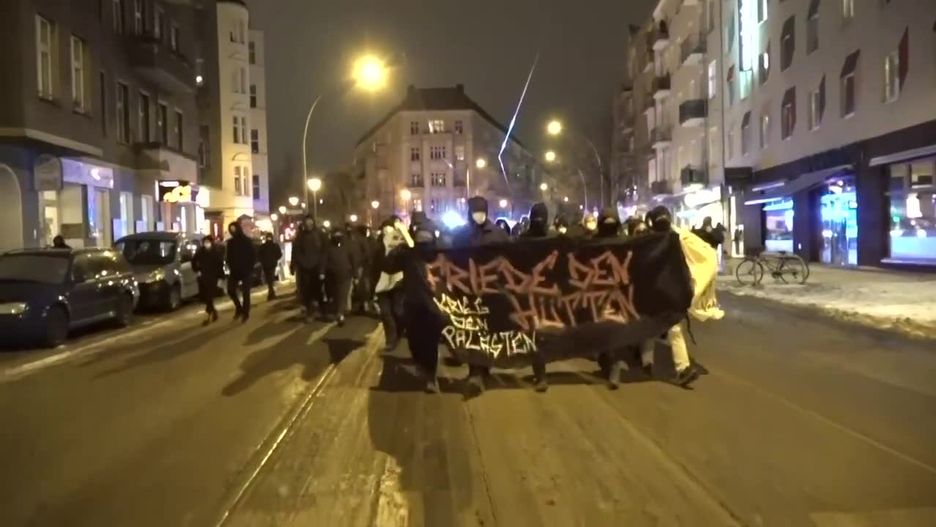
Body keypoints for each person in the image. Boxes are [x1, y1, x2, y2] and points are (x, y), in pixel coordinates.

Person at [452, 196, 509, 396]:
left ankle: (484, 369)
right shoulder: (461, 235)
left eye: (482, 212)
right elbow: (452, 260)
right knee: (472, 332)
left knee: (489, 332)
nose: (479, 215)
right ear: (469, 213)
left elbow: (509, 258)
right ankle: (475, 371)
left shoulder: (498, 234)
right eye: (475, 212)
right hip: (468, 291)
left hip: (492, 291)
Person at [646, 206, 701, 387]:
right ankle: (677, 367)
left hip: (661, 292)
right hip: (668, 292)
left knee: (652, 326)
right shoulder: (675, 240)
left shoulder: (653, 241)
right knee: (670, 329)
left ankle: (651, 363)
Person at [389, 216, 444, 393]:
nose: (423, 238)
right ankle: (424, 369)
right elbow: (390, 266)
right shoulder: (409, 254)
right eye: (421, 235)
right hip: (417, 305)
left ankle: (430, 376)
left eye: (425, 235)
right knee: (417, 341)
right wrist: (395, 250)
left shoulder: (438, 254)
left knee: (428, 342)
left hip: (429, 305)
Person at [519, 202, 551, 392]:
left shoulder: (553, 239)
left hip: (549, 295)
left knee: (542, 336)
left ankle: (541, 374)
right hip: (530, 296)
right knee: (536, 336)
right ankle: (541, 375)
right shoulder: (523, 240)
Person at [373, 217, 406, 352]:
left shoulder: (401, 246)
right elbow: (373, 266)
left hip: (398, 283)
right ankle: (391, 340)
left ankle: (399, 331)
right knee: (385, 313)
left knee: (398, 311)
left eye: (390, 230)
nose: (387, 233)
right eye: (385, 231)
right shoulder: (378, 246)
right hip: (382, 284)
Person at [292, 216, 324, 322]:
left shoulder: (319, 235)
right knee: (306, 290)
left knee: (317, 289)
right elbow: (295, 251)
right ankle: (310, 311)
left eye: (310, 224)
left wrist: (322, 266)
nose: (308, 226)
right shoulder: (300, 237)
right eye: (307, 224)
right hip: (304, 267)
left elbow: (325, 251)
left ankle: (317, 309)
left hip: (317, 267)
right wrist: (294, 264)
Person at [322, 228, 356, 326]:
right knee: (335, 295)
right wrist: (322, 272)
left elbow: (353, 260)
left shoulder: (348, 247)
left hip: (346, 275)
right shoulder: (328, 247)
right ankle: (338, 311)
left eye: (339, 235)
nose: (337, 237)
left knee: (343, 295)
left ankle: (340, 314)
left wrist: (355, 275)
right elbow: (323, 260)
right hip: (332, 276)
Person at [225, 220, 256, 322]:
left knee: (246, 292)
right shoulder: (230, 243)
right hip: (234, 271)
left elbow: (253, 255)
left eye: (234, 229)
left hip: (246, 271)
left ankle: (245, 313)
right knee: (230, 290)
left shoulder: (246, 241)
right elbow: (228, 257)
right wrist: (230, 266)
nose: (233, 231)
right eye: (231, 230)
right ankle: (239, 308)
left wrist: (249, 267)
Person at [191, 235, 224, 325]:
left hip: (213, 277)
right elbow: (193, 261)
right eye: (205, 242)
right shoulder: (200, 252)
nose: (206, 244)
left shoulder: (216, 252)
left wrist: (221, 277)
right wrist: (197, 269)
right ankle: (214, 312)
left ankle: (209, 315)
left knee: (209, 296)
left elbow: (220, 265)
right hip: (203, 277)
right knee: (205, 297)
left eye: (208, 242)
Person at [258, 233, 282, 300]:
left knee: (269, 280)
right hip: (272, 264)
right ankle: (271, 293)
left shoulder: (262, 246)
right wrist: (275, 259)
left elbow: (259, 256)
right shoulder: (275, 246)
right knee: (271, 279)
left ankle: (271, 293)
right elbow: (279, 254)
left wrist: (262, 261)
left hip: (266, 265)